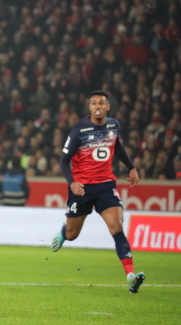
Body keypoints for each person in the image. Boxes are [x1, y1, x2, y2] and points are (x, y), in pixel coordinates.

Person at [52, 90, 145, 294]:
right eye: (94, 103)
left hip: (105, 186)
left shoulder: (114, 125)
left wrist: (131, 167)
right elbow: (63, 161)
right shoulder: (79, 129)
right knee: (72, 234)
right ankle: (63, 231)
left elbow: (117, 146)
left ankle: (130, 276)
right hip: (82, 188)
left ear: (107, 107)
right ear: (89, 107)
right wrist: (72, 182)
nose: (97, 106)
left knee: (117, 226)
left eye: (101, 103)